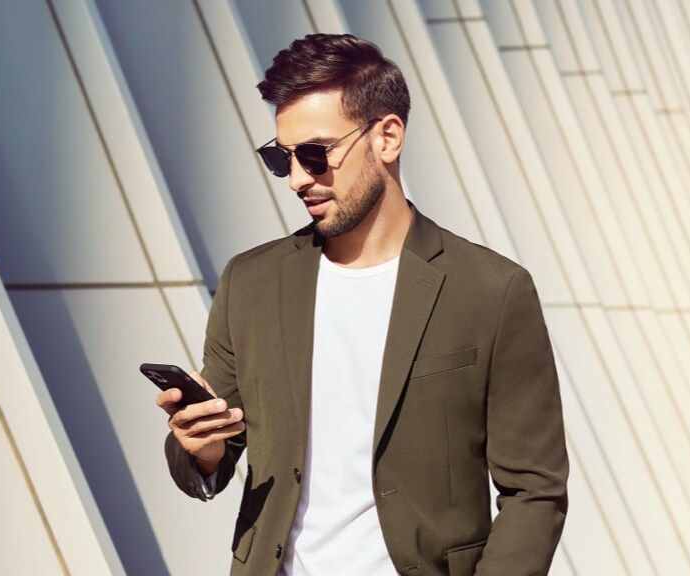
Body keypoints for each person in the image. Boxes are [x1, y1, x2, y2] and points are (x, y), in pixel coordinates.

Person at [158, 33, 568, 576]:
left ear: (388, 137)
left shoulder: (491, 290)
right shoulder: (250, 284)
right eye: (283, 159)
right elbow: (218, 452)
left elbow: (534, 490)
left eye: (316, 154)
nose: (299, 178)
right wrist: (200, 445)